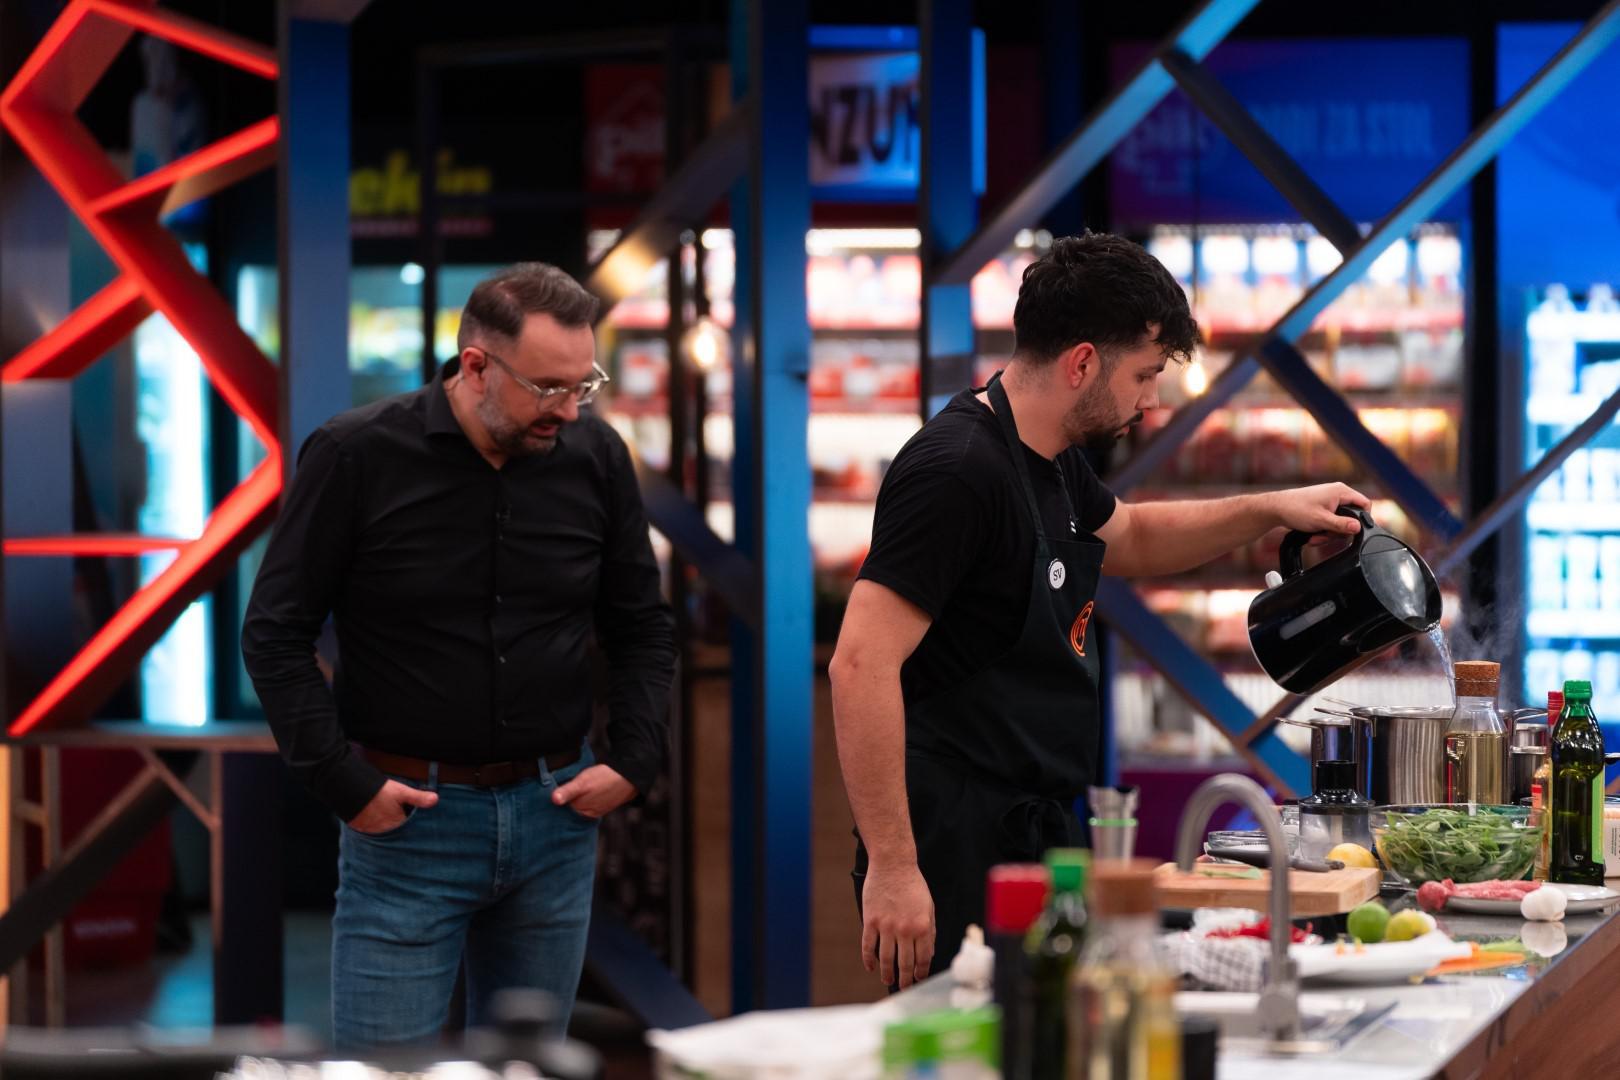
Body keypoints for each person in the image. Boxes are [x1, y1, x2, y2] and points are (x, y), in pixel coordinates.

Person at [829, 233, 1370, 989]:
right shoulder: (956, 470)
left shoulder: (1051, 460)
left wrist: (1271, 509)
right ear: (1082, 362)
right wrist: (893, 865)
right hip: (956, 843)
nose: (1152, 403)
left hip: (1038, 834)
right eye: (1145, 375)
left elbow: (1135, 536)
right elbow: (860, 664)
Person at [242, 262, 675, 1047]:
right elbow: (274, 631)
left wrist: (635, 759)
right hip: (409, 827)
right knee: (382, 1074)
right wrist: (345, 784)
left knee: (528, 1070)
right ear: (476, 365)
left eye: (584, 385)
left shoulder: (596, 456)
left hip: (557, 816)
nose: (569, 409)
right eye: (549, 388)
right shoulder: (356, 454)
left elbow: (642, 625)